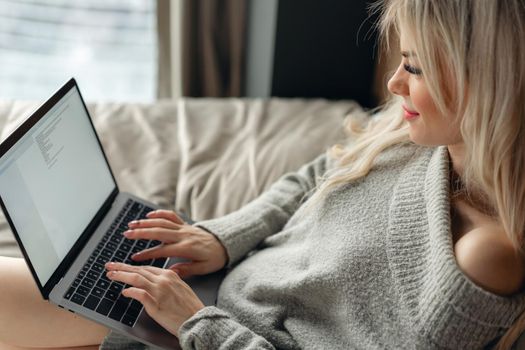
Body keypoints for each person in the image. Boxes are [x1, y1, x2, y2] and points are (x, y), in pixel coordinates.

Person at [1, 0, 525, 348]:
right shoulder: (422, 134)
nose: (392, 83)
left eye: (415, 67)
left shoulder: (482, 254)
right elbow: (315, 176)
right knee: (63, 270)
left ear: (489, 82)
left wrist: (194, 324)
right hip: (214, 287)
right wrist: (221, 237)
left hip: (206, 333)